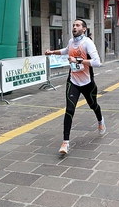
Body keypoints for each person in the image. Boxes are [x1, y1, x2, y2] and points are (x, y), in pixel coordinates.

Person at [44, 19, 106, 154]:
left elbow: (97, 62)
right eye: (73, 25)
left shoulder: (87, 43)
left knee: (93, 105)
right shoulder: (72, 42)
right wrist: (52, 52)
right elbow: (66, 50)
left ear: (84, 29)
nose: (74, 27)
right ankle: (65, 143)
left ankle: (100, 120)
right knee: (69, 110)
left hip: (87, 82)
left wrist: (78, 60)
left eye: (77, 25)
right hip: (73, 81)